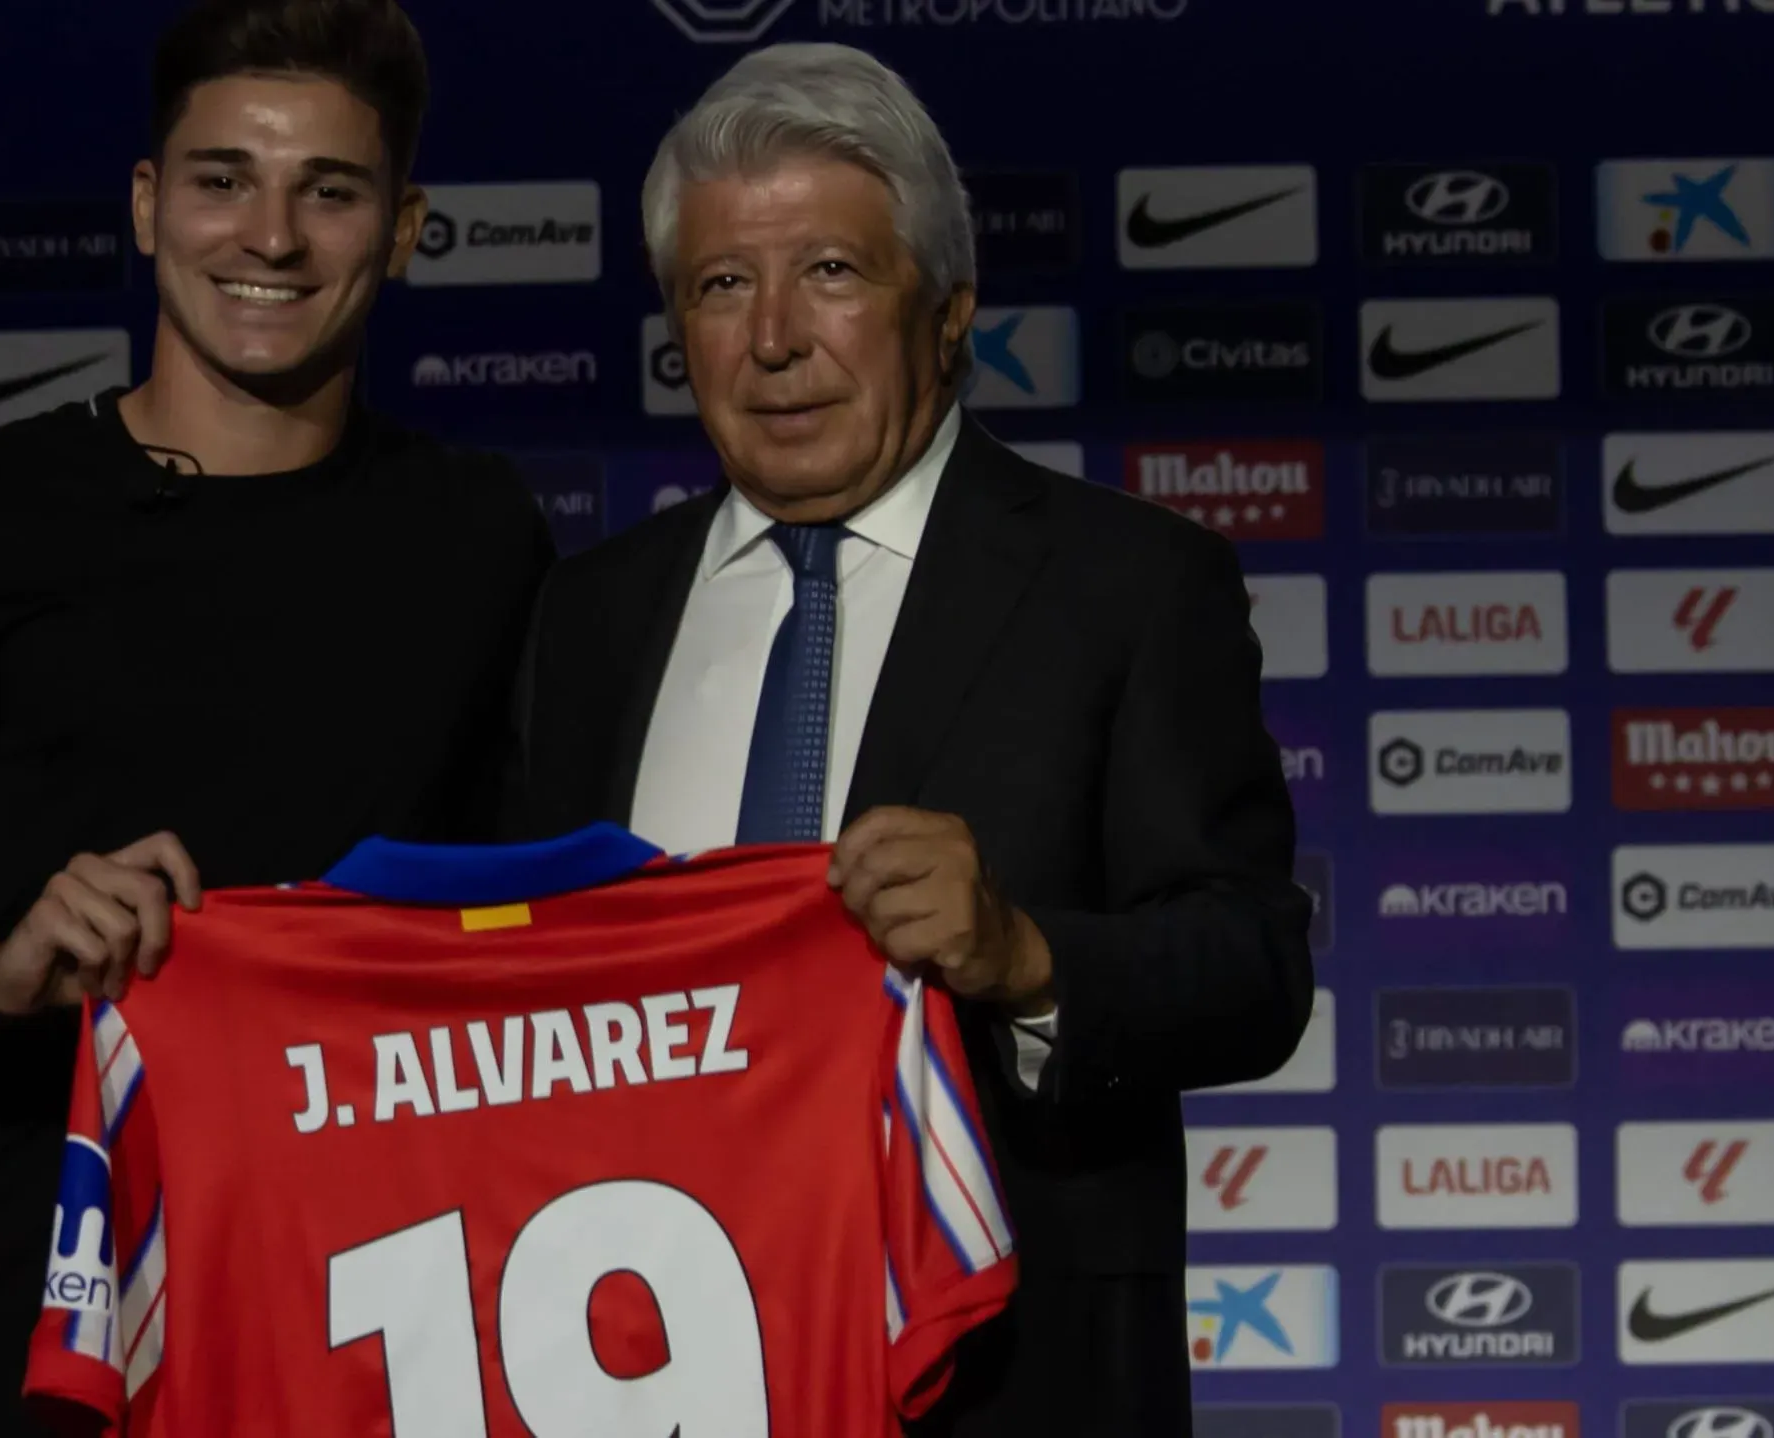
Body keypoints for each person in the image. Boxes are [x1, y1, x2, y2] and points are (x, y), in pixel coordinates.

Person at [0, 2, 552, 1432]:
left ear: (405, 230)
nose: (271, 237)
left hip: (374, 1348)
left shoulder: (481, 533)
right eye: (222, 178)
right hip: (21, 1351)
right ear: (145, 203)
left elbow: (539, 938)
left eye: (330, 191)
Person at [506, 44, 1315, 1437]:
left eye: (830, 272)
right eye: (721, 285)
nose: (773, 338)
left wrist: (1027, 955)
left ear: (947, 314)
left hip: (1005, 1383)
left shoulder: (1128, 584)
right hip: (641, 1368)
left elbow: (1253, 964)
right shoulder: (586, 617)